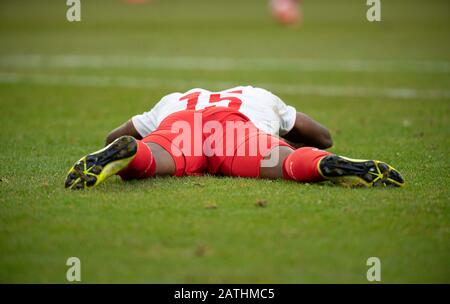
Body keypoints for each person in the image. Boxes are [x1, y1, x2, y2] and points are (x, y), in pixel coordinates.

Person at [65, 86, 404, 190]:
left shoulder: (175, 98)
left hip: (182, 124)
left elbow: (114, 134)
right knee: (284, 162)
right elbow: (324, 135)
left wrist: (134, 137)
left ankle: (129, 155)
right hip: (236, 129)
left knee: (153, 157)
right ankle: (321, 164)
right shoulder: (259, 96)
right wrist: (291, 132)